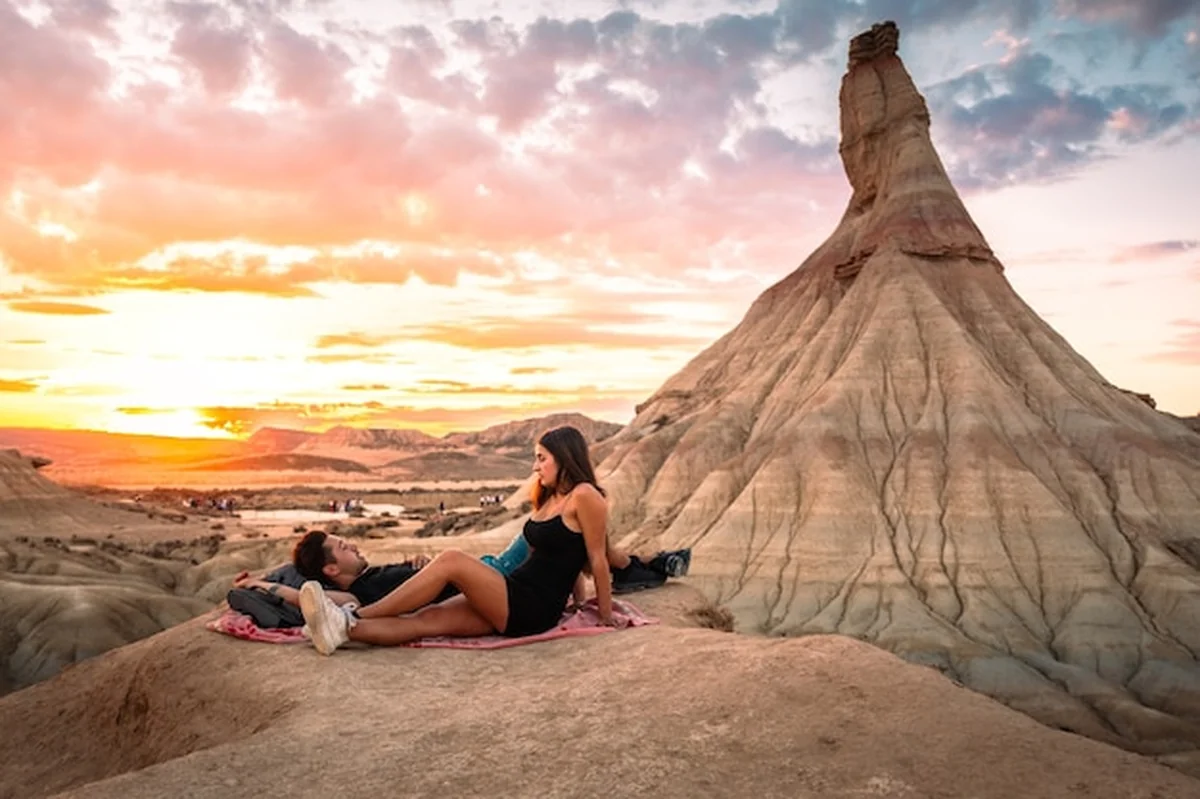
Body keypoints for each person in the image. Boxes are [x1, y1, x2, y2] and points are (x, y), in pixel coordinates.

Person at [297, 426, 615, 655]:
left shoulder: (584, 496)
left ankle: (357, 616)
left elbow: (595, 558)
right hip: (514, 596)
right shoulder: (549, 499)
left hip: (530, 605)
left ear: (564, 457)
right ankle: (334, 630)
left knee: (451, 560)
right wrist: (574, 602)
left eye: (541, 458)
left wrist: (604, 615)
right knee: (424, 620)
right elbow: (561, 557)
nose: (535, 466)